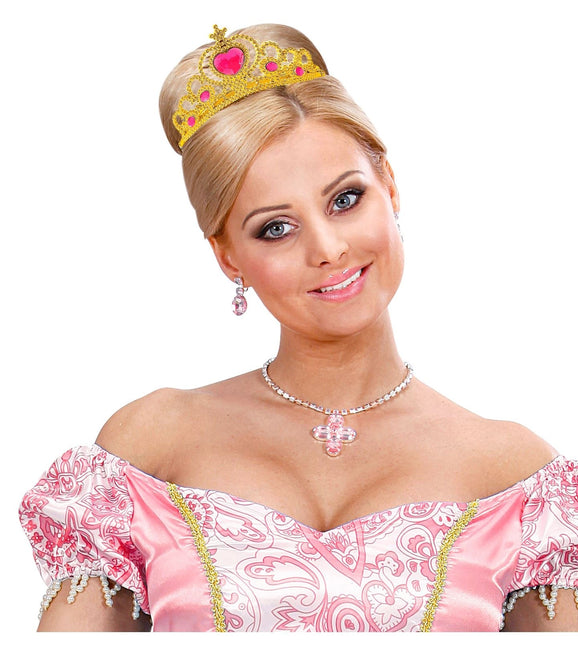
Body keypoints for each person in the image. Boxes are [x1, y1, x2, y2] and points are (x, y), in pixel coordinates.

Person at [19, 22, 578, 632]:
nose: (329, 248)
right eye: (276, 229)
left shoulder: (518, 480)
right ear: (227, 257)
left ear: (390, 188)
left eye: (345, 199)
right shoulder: (149, 449)